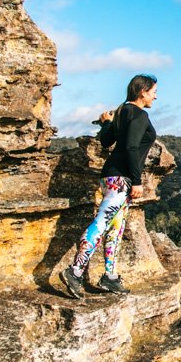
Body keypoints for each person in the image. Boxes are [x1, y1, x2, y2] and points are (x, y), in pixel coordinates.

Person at [60, 74, 158, 298]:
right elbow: (132, 148)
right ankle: (75, 272)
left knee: (116, 227)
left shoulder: (122, 111)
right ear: (142, 92)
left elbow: (106, 141)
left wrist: (106, 123)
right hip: (122, 179)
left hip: (110, 177)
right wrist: (137, 180)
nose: (155, 95)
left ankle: (110, 277)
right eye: (153, 91)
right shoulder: (140, 115)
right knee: (102, 223)